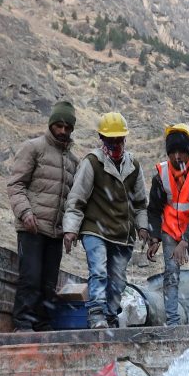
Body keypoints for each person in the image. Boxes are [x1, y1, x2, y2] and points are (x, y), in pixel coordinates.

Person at [62, 112, 150, 329]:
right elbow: (76, 198)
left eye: (119, 139)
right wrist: (71, 230)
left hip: (122, 233)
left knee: (118, 280)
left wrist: (143, 227)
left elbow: (140, 203)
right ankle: (96, 314)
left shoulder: (134, 166)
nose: (115, 144)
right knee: (99, 271)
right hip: (95, 229)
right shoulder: (92, 163)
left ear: (125, 139)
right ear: (102, 139)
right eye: (111, 140)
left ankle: (110, 316)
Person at [6, 100, 79, 332]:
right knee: (30, 278)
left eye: (68, 128)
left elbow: (73, 200)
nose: (63, 131)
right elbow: (15, 185)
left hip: (56, 232)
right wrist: (25, 212)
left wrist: (70, 229)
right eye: (59, 125)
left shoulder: (73, 162)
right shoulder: (33, 148)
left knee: (49, 283)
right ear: (51, 124)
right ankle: (23, 324)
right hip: (32, 228)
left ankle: (43, 325)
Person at [146, 124, 189, 325]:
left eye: (181, 152)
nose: (177, 157)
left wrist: (185, 241)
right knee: (171, 276)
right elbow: (154, 209)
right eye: (172, 152)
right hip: (170, 232)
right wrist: (155, 237)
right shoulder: (161, 175)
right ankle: (173, 323)